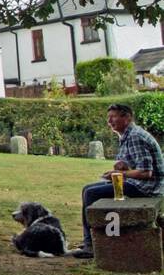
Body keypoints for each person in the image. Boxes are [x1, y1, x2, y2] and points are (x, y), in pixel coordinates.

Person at [70, 103, 163, 258]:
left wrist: (122, 174)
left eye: (113, 117)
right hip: (141, 184)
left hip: (147, 188)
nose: (109, 121)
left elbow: (146, 172)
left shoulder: (135, 136)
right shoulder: (128, 135)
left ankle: (90, 246)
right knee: (87, 189)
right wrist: (124, 167)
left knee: (91, 194)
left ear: (126, 117)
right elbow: (139, 166)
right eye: (108, 118)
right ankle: (91, 240)